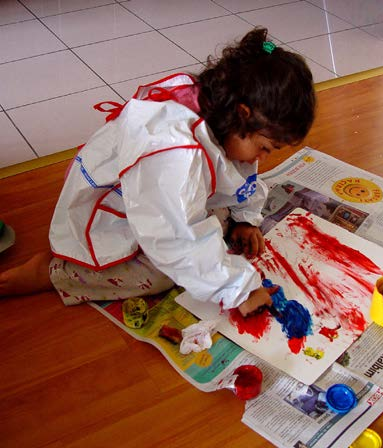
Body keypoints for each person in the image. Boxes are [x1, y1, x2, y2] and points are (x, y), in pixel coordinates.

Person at [0, 28, 316, 316]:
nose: (261, 157)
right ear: (243, 114)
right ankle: (55, 273)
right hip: (119, 213)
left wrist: (246, 217)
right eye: (265, 147)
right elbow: (175, 242)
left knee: (217, 224)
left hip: (164, 194)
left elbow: (241, 169)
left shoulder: (225, 111)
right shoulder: (173, 150)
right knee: (159, 275)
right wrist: (240, 289)